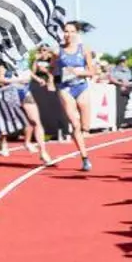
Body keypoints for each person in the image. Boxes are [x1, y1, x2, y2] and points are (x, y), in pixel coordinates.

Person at [55, 21, 97, 171]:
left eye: (72, 31)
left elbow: (92, 71)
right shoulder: (58, 51)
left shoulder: (84, 49)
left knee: (85, 126)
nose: (69, 34)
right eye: (66, 31)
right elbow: (53, 71)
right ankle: (85, 157)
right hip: (65, 89)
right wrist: (52, 80)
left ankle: (82, 137)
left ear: (77, 33)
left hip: (81, 87)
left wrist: (79, 72)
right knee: (75, 124)